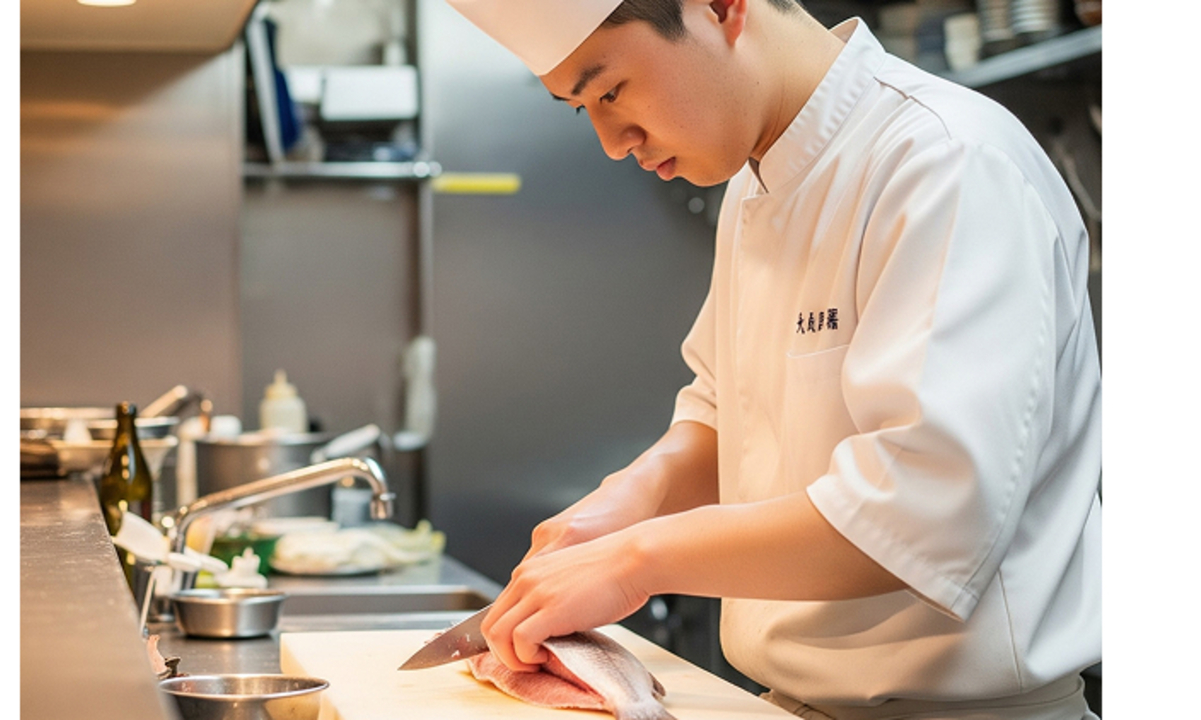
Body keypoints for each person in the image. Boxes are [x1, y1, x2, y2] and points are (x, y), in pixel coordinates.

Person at [446, 1, 1102, 718]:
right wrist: (624, 504)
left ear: (723, 7)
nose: (612, 140)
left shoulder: (946, 159)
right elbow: (731, 409)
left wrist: (636, 561)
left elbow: (926, 511)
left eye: (610, 90)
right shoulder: (752, 183)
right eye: (582, 109)